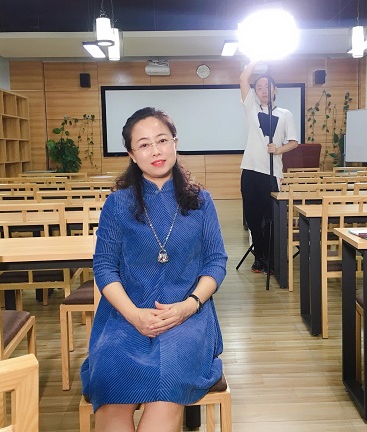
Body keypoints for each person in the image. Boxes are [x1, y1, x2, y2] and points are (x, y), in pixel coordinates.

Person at [80, 107, 228, 432]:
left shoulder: (201, 202)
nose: (156, 150)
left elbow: (216, 262)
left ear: (175, 143)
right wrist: (134, 315)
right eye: (144, 144)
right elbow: (104, 267)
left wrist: (189, 306)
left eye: (162, 140)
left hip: (187, 317)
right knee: (111, 384)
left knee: (167, 385)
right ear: (132, 155)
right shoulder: (117, 204)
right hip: (125, 315)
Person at [239, 61, 299, 273]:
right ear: (256, 92)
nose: (264, 91)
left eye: (267, 86)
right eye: (259, 88)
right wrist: (255, 59)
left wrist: (278, 149)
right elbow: (243, 78)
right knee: (253, 217)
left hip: (272, 172)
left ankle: (272, 258)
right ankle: (260, 256)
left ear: (275, 90)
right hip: (250, 170)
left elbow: (294, 141)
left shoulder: (285, 114)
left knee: (270, 217)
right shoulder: (251, 108)